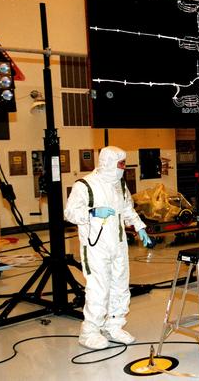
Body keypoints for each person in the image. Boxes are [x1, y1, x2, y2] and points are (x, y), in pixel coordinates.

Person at [64, 146, 153, 350]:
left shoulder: (119, 185)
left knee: (120, 286)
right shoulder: (85, 185)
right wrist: (92, 212)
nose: (123, 168)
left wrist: (139, 227)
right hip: (95, 247)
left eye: (124, 164)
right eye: (120, 164)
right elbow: (69, 213)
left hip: (118, 245)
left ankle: (113, 326)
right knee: (99, 289)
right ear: (108, 163)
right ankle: (90, 332)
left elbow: (127, 209)